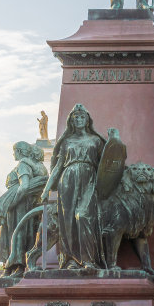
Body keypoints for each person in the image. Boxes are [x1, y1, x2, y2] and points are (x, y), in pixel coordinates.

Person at [48, 105, 107, 268]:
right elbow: (58, 166)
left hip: (89, 178)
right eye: (76, 117)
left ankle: (89, 260)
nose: (79, 119)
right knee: (67, 220)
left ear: (87, 120)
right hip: (67, 179)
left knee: (84, 216)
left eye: (82, 117)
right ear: (71, 121)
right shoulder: (66, 141)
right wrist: (46, 189)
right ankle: (71, 260)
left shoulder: (96, 140)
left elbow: (107, 163)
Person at [0, 142, 48, 274]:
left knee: (15, 233)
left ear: (20, 151)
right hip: (28, 204)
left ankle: (15, 266)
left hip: (18, 206)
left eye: (14, 151)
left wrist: (12, 203)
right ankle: (14, 266)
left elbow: (24, 186)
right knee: (22, 234)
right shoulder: (36, 166)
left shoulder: (23, 165)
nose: (13, 154)